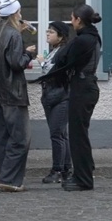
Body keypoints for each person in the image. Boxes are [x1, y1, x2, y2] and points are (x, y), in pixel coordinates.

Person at [35, 4, 103, 191]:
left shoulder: (84, 40)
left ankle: (83, 179)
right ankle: (84, 172)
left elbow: (62, 61)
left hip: (82, 88)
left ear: (78, 20)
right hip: (85, 87)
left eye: (72, 18)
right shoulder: (91, 36)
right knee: (79, 134)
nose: (71, 22)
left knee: (77, 136)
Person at [0, 0, 36, 193]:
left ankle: (4, 178)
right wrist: (28, 53)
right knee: (20, 138)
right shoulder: (13, 34)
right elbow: (16, 63)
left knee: (1, 138)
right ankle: (10, 179)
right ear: (15, 13)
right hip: (11, 93)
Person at [36, 21, 73, 184]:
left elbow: (54, 72)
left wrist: (42, 62)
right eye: (47, 31)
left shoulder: (63, 51)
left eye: (51, 32)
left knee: (57, 134)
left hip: (60, 96)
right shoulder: (55, 51)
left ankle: (57, 169)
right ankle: (65, 168)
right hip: (52, 96)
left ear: (61, 36)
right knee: (61, 134)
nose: (47, 34)